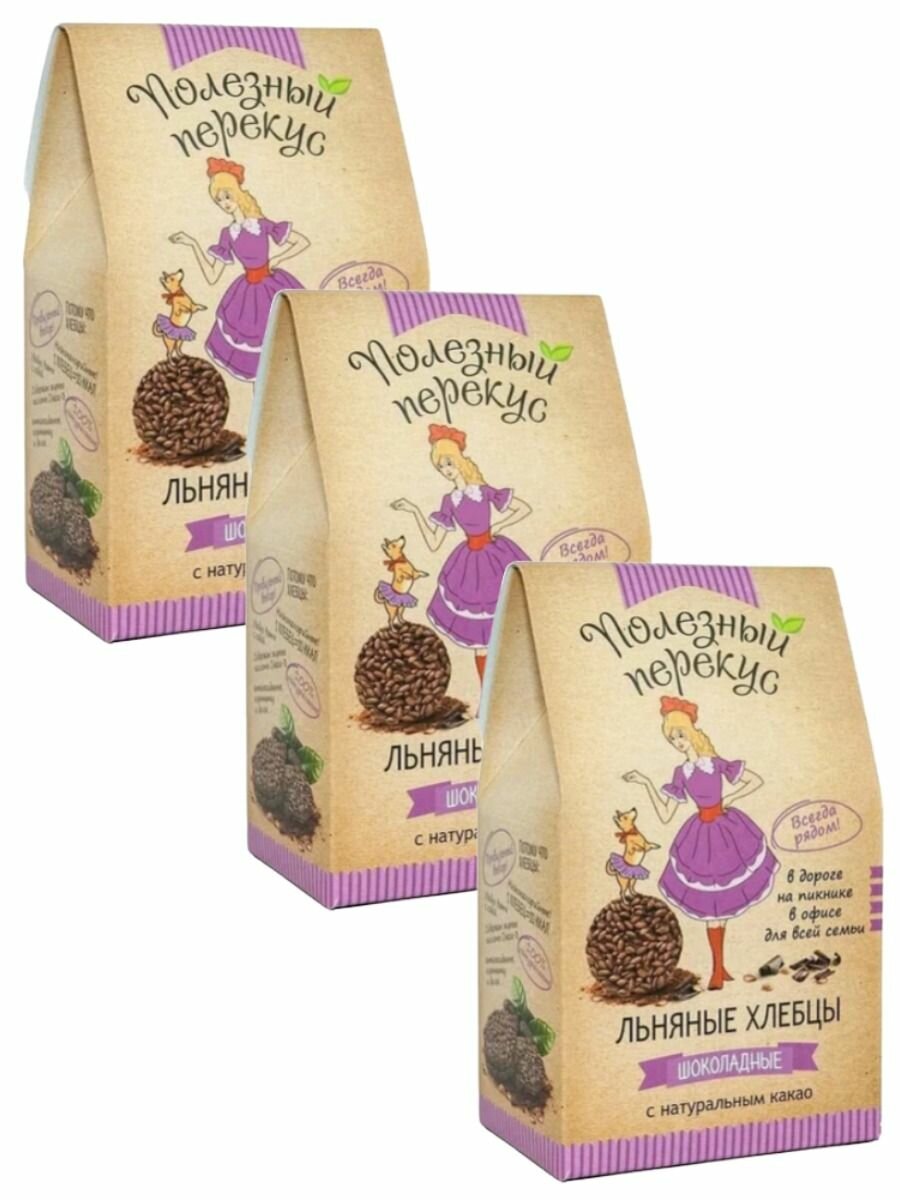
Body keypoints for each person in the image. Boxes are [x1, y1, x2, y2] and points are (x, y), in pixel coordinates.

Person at [623, 695, 779, 989]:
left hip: (726, 832)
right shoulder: (680, 773)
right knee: (713, 910)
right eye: (672, 739)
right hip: (699, 838)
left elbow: (755, 781)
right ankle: (718, 969)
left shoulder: (714, 763)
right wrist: (646, 783)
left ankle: (720, 968)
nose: (678, 743)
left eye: (680, 735)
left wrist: (730, 799)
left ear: (691, 732)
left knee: (721, 907)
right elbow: (666, 815)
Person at [390, 424, 531, 688]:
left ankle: (516, 689)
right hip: (468, 567)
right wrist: (415, 511)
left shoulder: (484, 491)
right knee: (481, 641)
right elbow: (434, 543)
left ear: (458, 459)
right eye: (440, 467)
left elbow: (523, 508)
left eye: (448, 462)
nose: (446, 470)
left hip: (495, 559)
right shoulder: (449, 501)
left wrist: (498, 527)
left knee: (508, 627)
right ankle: (488, 695)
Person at [169, 157, 310, 381]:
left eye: (227, 196)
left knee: (281, 350)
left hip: (272, 288)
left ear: (237, 192)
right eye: (219, 200)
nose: (224, 203)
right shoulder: (227, 234)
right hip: (245, 297)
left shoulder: (261, 224)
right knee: (257, 362)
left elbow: (302, 242)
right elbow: (212, 276)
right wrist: (194, 244)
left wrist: (277, 259)